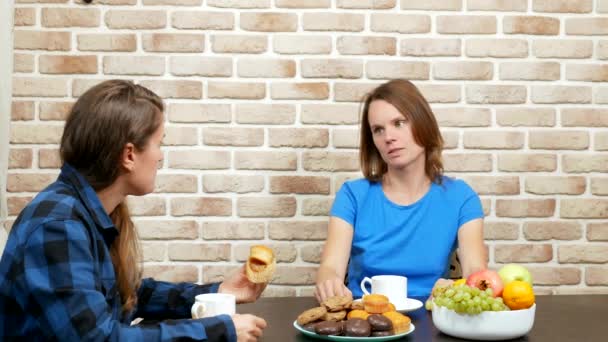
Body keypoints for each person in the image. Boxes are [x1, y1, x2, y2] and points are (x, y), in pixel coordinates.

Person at [0, 80, 267, 341]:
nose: (160, 156)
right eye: (159, 143)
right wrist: (220, 331)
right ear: (129, 154)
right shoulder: (57, 226)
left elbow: (127, 295)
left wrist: (219, 291)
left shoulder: (85, 212)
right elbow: (97, 338)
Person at [315, 79, 487, 303]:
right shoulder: (352, 195)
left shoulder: (461, 197)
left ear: (423, 124)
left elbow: (476, 270)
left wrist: (456, 287)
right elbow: (330, 267)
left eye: (399, 123)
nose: (388, 137)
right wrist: (328, 281)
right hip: (366, 320)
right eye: (378, 130)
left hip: (432, 317)